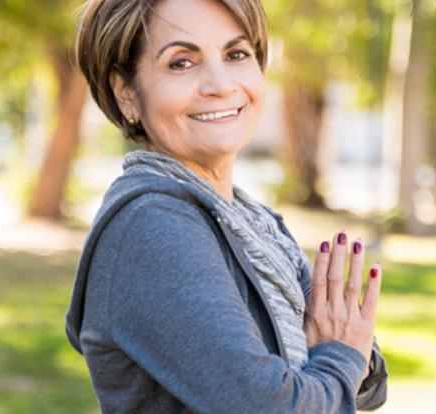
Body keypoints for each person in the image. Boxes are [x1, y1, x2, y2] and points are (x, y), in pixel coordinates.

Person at [65, 0, 388, 412]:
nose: (220, 84)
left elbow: (368, 385)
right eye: (182, 63)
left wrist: (347, 353)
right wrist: (343, 353)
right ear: (126, 93)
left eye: (236, 54)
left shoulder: (252, 222)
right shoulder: (152, 226)